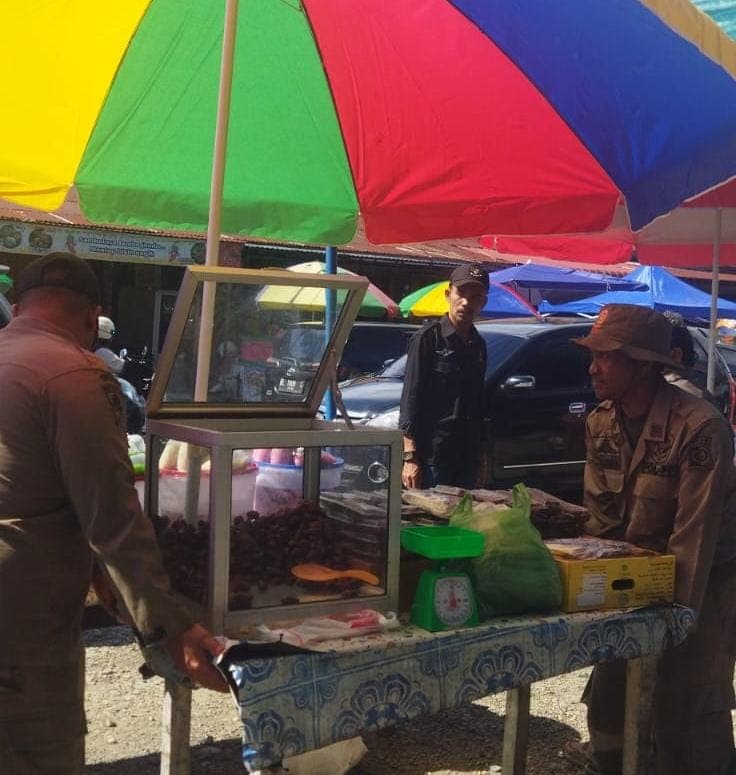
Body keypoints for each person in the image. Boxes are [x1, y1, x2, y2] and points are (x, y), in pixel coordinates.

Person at [0, 253, 227, 774]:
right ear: (90, 316)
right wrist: (172, 629)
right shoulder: (78, 374)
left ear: (17, 307)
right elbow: (113, 522)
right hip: (20, 623)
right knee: (36, 751)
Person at [567, 304, 736, 775]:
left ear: (641, 365)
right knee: (609, 699)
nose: (592, 367)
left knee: (687, 703)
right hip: (633, 581)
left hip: (702, 584)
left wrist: (670, 626)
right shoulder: (600, 421)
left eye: (605, 357)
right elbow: (601, 525)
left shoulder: (700, 428)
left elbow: (694, 541)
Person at [399, 263, 489, 489]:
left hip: (466, 456)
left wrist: (481, 455)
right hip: (433, 458)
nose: (466, 302)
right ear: (449, 294)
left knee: (463, 520)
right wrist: (409, 457)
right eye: (461, 294)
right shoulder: (428, 339)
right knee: (432, 522)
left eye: (476, 297)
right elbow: (410, 398)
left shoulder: (479, 345)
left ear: (483, 303)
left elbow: (478, 404)